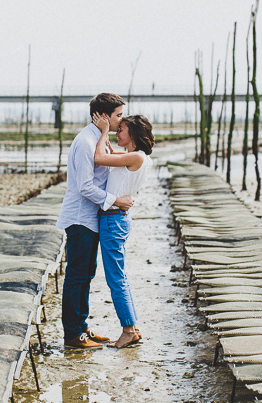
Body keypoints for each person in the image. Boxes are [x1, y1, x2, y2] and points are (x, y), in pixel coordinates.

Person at [55, 93, 134, 349]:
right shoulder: (86, 142)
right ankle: (72, 335)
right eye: (118, 115)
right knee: (77, 275)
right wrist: (116, 201)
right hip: (80, 217)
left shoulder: (97, 139)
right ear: (103, 116)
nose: (121, 120)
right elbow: (85, 187)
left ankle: (82, 329)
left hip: (91, 217)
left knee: (86, 273)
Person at [92, 112, 154, 348]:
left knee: (116, 278)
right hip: (117, 219)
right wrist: (107, 135)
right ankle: (133, 327)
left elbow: (99, 158)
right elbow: (108, 152)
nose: (118, 133)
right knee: (119, 276)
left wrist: (104, 130)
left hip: (112, 220)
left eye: (122, 129)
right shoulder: (136, 157)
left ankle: (128, 330)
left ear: (134, 134)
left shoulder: (135, 157)